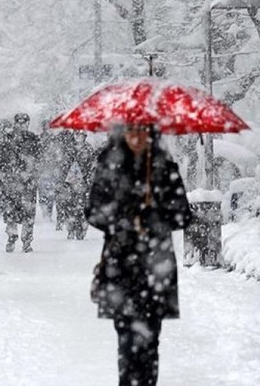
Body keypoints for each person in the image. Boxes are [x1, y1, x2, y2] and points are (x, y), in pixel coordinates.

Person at [84, 124, 192, 386]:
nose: (137, 137)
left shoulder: (164, 167)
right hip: (120, 263)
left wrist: (154, 217)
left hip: (156, 266)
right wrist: (123, 219)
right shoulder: (108, 165)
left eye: (143, 131)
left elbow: (183, 215)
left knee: (150, 340)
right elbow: (93, 211)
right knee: (127, 339)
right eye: (132, 131)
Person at [0, 113, 41, 253]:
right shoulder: (6, 140)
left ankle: (26, 241)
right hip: (10, 182)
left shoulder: (34, 139)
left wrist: (31, 173)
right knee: (10, 211)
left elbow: (40, 160)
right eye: (18, 122)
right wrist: (0, 174)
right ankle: (11, 236)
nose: (21, 125)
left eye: (24, 122)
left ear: (28, 123)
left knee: (28, 213)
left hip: (28, 183)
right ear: (15, 123)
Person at [58, 130, 94, 240]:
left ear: (85, 136)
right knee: (69, 207)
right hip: (69, 182)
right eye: (76, 134)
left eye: (81, 135)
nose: (78, 137)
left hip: (83, 183)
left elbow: (92, 166)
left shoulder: (89, 149)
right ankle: (70, 230)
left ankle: (81, 229)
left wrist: (89, 179)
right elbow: (62, 165)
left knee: (82, 207)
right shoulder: (68, 148)